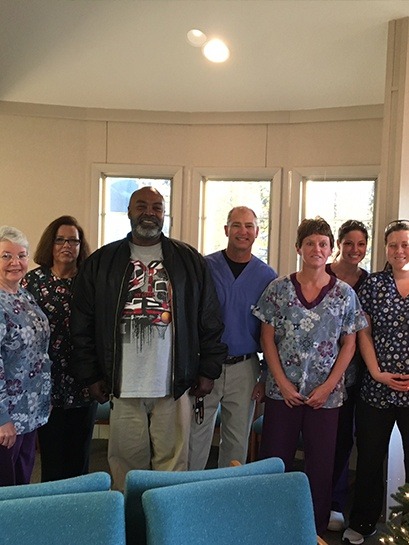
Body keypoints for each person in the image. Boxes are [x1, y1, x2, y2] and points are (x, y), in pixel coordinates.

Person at [70, 186, 227, 490]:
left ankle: (165, 527)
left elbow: (209, 319)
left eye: (157, 207)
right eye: (141, 206)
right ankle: (131, 527)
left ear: (164, 214)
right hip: (123, 383)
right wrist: (90, 375)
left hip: (174, 384)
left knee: (173, 467)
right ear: (129, 212)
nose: (149, 213)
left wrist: (208, 370)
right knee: (126, 468)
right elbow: (83, 325)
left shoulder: (189, 261)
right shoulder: (102, 262)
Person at [252, 217, 367, 536]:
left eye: (323, 244)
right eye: (310, 243)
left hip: (325, 399)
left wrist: (329, 385)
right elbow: (267, 338)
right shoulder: (278, 289)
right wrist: (283, 384)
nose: (317, 249)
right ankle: (270, 525)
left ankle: (312, 530)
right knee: (275, 463)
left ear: (331, 250)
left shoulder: (344, 294)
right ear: (298, 248)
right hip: (282, 393)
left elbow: (350, 343)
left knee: (320, 468)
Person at [188, 206, 277, 469]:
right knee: (196, 436)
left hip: (245, 367)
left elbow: (270, 332)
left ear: (257, 232)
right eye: (236, 225)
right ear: (226, 229)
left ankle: (228, 499)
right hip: (205, 367)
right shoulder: (205, 267)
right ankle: (189, 498)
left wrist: (264, 375)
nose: (243, 231)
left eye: (249, 226)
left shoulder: (267, 277)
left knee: (237, 440)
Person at [343, 219, 409, 545]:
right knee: (369, 459)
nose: (399, 251)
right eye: (393, 245)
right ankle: (363, 522)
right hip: (376, 389)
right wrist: (376, 371)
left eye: (405, 244)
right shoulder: (373, 285)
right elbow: (363, 331)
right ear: (385, 249)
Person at [22, 216, 97, 482]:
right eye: (60, 240)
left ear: (80, 246)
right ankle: (52, 514)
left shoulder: (90, 281)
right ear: (51, 245)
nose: (67, 245)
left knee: (79, 458)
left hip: (82, 381)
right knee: (51, 459)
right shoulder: (32, 282)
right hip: (45, 383)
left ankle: (80, 514)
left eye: (73, 241)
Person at [325, 220, 369, 531]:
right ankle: (311, 498)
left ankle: (335, 502)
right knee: (320, 438)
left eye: (361, 244)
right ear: (338, 244)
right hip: (316, 373)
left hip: (354, 376)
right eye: (349, 243)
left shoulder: (370, 282)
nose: (355, 250)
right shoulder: (320, 272)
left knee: (342, 439)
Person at [0, 226, 51, 486]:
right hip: (7, 416)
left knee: (22, 485)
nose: (15, 263)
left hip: (28, 411)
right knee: (6, 492)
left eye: (21, 255)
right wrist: (2, 419)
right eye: (6, 256)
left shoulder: (23, 294)